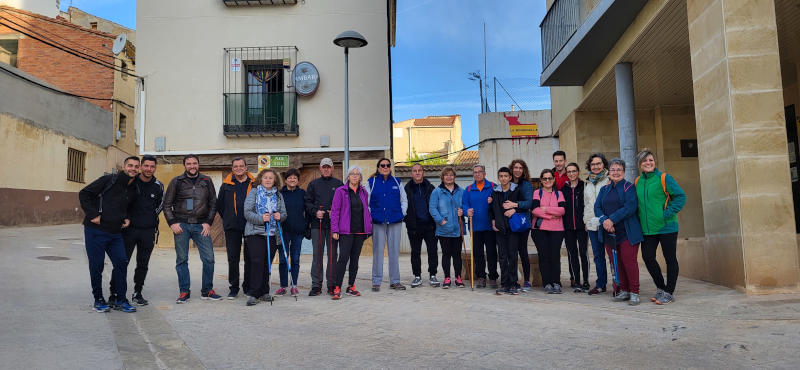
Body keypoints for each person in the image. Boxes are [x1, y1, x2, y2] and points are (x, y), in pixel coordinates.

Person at [79, 156, 140, 313]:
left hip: (115, 233)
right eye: (130, 165)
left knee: (121, 263)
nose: (133, 168)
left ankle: (120, 299)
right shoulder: (109, 180)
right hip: (95, 231)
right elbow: (84, 193)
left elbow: (129, 207)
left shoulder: (133, 187)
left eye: (136, 166)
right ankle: (98, 300)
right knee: (97, 265)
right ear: (124, 166)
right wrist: (93, 215)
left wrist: (127, 218)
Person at [163, 154, 220, 303]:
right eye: (189, 163)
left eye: (194, 163)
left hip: (201, 225)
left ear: (198, 165)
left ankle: (207, 290)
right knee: (182, 259)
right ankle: (184, 292)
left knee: (209, 259)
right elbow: (167, 204)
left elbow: (214, 203)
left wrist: (208, 222)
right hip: (182, 225)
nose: (192, 166)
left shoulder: (206, 181)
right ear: (185, 166)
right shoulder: (177, 181)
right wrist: (172, 222)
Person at [109, 155, 164, 306]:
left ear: (155, 168)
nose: (149, 169)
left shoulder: (159, 185)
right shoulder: (131, 182)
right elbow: (121, 203)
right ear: (141, 167)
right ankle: (114, 293)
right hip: (129, 230)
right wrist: (126, 218)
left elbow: (160, 205)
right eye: (146, 166)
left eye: (152, 166)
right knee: (121, 262)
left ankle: (137, 292)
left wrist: (149, 217)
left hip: (148, 231)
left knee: (143, 264)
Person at [635, 149, 686, 305]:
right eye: (644, 161)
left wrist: (667, 213)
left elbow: (680, 196)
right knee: (648, 257)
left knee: (670, 259)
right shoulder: (638, 182)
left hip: (666, 227)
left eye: (650, 160)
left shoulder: (664, 178)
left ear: (654, 162)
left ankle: (669, 292)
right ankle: (661, 288)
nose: (648, 163)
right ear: (640, 164)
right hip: (647, 229)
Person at [595, 158, 644, 305]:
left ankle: (634, 292)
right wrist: (604, 220)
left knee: (629, 262)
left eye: (619, 169)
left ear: (623, 171)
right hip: (609, 233)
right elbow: (597, 207)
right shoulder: (604, 189)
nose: (616, 172)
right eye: (613, 170)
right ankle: (624, 290)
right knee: (616, 263)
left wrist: (612, 220)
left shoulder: (629, 188)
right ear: (608, 172)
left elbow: (630, 207)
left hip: (627, 233)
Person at [243, 169, 287, 306]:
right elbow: (247, 212)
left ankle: (264, 291)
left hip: (273, 233)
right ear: (260, 179)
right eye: (265, 177)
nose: (268, 180)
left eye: (271, 178)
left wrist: (280, 216)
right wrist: (261, 218)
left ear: (275, 181)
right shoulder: (254, 192)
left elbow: (284, 213)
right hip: (255, 232)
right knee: (257, 261)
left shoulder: (278, 195)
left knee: (266, 262)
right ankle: (254, 293)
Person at [330, 166, 372, 300]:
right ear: (348, 177)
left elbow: (366, 210)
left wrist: (368, 227)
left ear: (360, 178)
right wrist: (335, 229)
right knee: (342, 259)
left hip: (359, 231)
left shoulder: (364, 192)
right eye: (352, 174)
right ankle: (336, 287)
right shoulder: (340, 191)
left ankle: (351, 286)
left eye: (357, 174)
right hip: (345, 232)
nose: (354, 176)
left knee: (355, 260)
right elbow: (335, 211)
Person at [216, 157, 255, 299]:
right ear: (232, 169)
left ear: (246, 168)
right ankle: (233, 288)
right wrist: (227, 217)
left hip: (250, 226)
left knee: (249, 258)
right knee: (233, 258)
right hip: (232, 227)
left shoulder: (254, 184)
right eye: (235, 166)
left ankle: (248, 287)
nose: (238, 168)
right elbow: (220, 205)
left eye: (241, 166)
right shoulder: (226, 185)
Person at [304, 158, 344, 296]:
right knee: (317, 255)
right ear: (320, 169)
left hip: (333, 226)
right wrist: (316, 212)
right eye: (324, 167)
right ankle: (316, 285)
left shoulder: (339, 184)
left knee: (333, 255)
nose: (326, 169)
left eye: (329, 167)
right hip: (317, 225)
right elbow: (307, 203)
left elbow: (344, 203)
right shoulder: (313, 184)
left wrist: (335, 212)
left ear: (332, 169)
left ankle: (332, 285)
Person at [367, 158, 408, 291]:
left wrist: (402, 213)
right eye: (382, 165)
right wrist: (371, 215)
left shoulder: (397, 181)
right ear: (378, 167)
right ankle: (376, 281)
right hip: (378, 221)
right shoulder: (371, 182)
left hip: (395, 221)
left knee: (394, 252)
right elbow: (366, 201)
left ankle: (395, 281)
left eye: (388, 165)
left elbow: (404, 199)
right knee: (378, 252)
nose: (385, 167)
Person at [489, 167, 526, 295]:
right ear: (498, 178)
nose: (503, 178)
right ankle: (504, 284)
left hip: (513, 229)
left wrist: (515, 210)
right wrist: (493, 221)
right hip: (500, 229)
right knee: (503, 257)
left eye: (506, 176)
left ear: (510, 177)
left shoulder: (517, 190)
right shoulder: (495, 192)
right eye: (501, 176)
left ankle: (514, 283)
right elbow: (491, 209)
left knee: (513, 256)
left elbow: (524, 206)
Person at [403, 163, 440, 288]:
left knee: (432, 251)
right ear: (411, 173)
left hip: (430, 226)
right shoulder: (406, 189)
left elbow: (437, 205)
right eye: (415, 171)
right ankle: (417, 276)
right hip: (414, 227)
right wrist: (407, 220)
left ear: (423, 173)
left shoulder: (431, 188)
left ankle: (433, 275)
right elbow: (402, 205)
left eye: (420, 170)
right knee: (415, 252)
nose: (417, 172)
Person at [461, 164, 498, 288]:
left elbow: (500, 201)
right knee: (478, 253)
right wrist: (467, 211)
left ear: (484, 173)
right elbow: (464, 204)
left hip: (490, 227)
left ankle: (493, 277)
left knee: (492, 253)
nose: (477, 174)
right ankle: (481, 277)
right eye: (475, 172)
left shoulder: (493, 187)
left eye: (480, 171)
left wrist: (494, 201)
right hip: (475, 226)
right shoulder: (469, 189)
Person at [429, 167, 465, 288]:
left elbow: (466, 206)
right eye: (446, 175)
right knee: (446, 254)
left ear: (454, 177)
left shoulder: (461, 191)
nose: (449, 177)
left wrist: (463, 211)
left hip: (457, 228)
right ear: (442, 177)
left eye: (451, 175)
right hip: (443, 229)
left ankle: (458, 277)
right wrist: (440, 220)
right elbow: (432, 208)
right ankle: (447, 277)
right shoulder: (437, 192)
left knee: (457, 254)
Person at [532, 169, 566, 294]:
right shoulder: (537, 193)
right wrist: (550, 215)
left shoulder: (559, 194)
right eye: (545, 178)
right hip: (540, 230)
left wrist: (545, 209)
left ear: (553, 179)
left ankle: (556, 282)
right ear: (541, 180)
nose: (547, 181)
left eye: (550, 178)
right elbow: (535, 210)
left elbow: (562, 210)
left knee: (555, 256)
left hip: (557, 230)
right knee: (544, 256)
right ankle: (547, 283)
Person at [584, 153, 611, 296]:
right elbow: (586, 204)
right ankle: (601, 284)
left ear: (604, 165)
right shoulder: (587, 182)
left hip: (607, 223)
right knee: (598, 256)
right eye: (593, 164)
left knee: (612, 255)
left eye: (598, 163)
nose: (596, 166)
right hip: (592, 225)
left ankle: (618, 283)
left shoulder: (609, 179)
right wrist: (586, 220)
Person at [278, 168, 306, 297]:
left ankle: (294, 285)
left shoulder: (302, 193)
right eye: (290, 177)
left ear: (298, 180)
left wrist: (306, 225)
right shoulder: (280, 194)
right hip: (283, 231)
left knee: (295, 259)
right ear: (285, 180)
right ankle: (283, 286)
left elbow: (307, 210)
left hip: (298, 232)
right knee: (283, 259)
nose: (292, 179)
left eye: (295, 177)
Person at [561, 162, 589, 293]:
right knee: (572, 254)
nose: (571, 174)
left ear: (578, 172)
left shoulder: (585, 186)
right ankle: (576, 281)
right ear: (566, 174)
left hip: (582, 226)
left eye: (574, 171)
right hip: (568, 228)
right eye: (569, 172)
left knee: (583, 253)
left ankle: (586, 281)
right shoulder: (564, 189)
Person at [509, 159, 534, 291]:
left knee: (523, 252)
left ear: (523, 170)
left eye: (520, 168)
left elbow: (528, 204)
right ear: (511, 169)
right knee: (512, 253)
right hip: (510, 223)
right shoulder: (507, 183)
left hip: (523, 223)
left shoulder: (527, 185)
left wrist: (515, 206)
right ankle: (514, 280)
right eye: (515, 167)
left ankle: (527, 280)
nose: (517, 170)